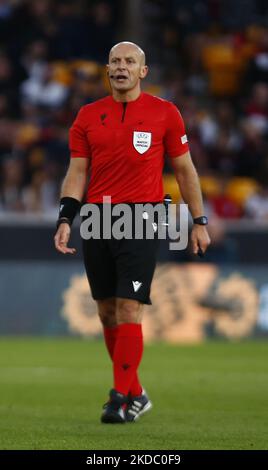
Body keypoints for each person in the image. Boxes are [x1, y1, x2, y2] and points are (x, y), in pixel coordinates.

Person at [54, 41, 210, 424]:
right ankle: (136, 392)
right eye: (115, 61)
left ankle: (120, 397)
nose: (121, 67)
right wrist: (64, 218)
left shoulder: (164, 113)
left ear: (143, 71)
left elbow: (185, 171)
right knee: (107, 312)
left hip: (143, 217)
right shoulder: (88, 116)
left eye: (129, 62)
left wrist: (199, 221)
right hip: (96, 218)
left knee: (129, 307)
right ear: (107, 70)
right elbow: (77, 173)